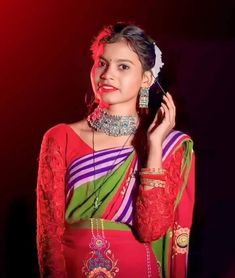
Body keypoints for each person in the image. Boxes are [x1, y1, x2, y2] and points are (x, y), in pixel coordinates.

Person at [36, 22, 195, 278]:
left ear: (146, 78)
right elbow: (48, 237)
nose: (108, 73)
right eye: (101, 63)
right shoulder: (60, 138)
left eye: (123, 66)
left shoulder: (169, 147)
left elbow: (151, 230)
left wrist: (153, 147)